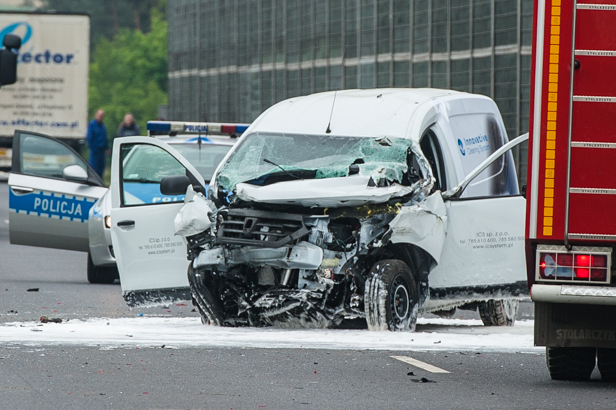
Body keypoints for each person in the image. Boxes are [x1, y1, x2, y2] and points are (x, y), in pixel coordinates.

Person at [86, 109, 108, 177]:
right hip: (95, 150)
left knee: (101, 168)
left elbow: (105, 137)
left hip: (102, 150)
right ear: (96, 115)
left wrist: (107, 148)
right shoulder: (92, 124)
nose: (100, 117)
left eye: (102, 116)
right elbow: (89, 137)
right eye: (99, 116)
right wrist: (93, 147)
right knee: (94, 168)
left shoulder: (103, 126)